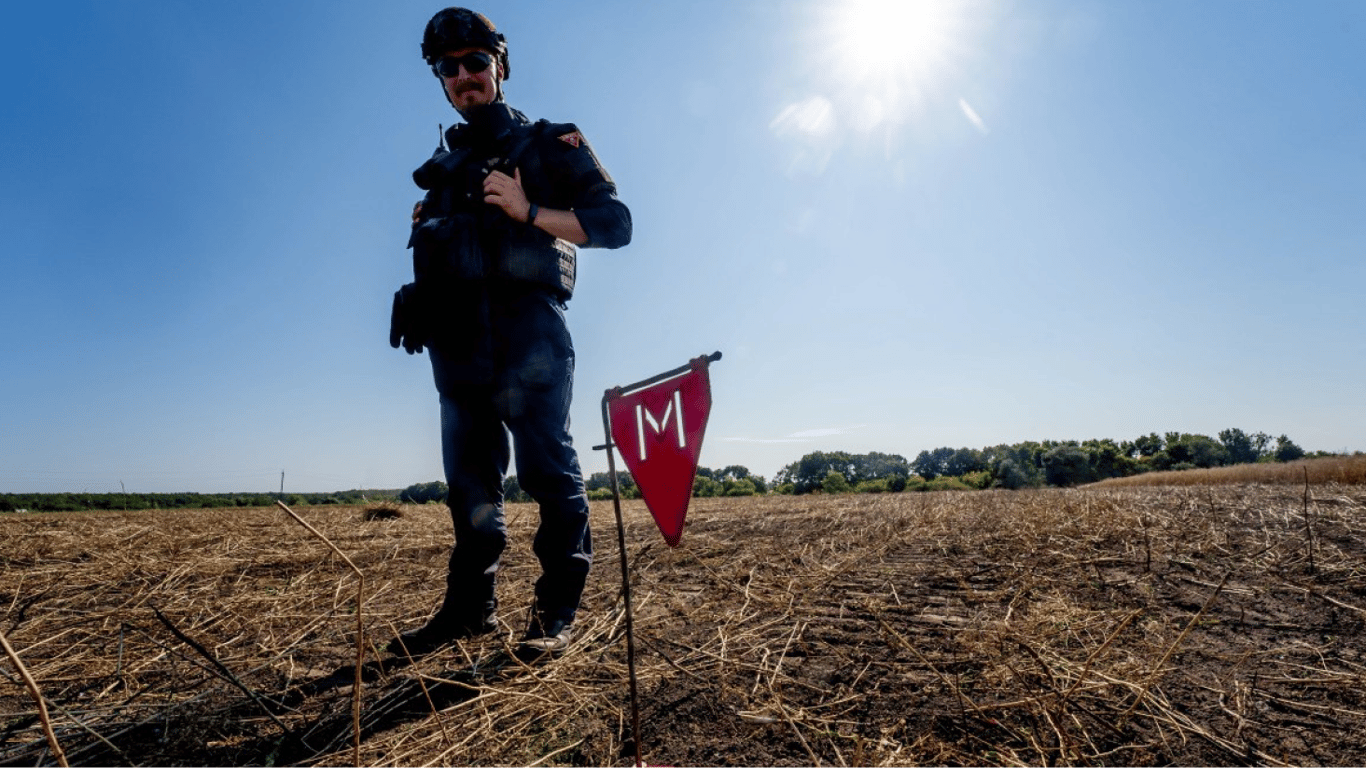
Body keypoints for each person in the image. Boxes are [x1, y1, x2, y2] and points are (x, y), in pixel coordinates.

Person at [388, 7, 631, 657]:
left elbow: (615, 223)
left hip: (529, 333)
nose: (464, 75)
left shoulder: (548, 145)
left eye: (476, 62)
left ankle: (556, 611)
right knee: (470, 485)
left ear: (499, 67)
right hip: (458, 342)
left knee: (548, 470)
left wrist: (530, 210)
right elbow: (451, 254)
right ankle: (470, 610)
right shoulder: (439, 175)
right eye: (449, 67)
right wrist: (416, 296)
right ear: (439, 79)